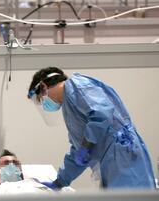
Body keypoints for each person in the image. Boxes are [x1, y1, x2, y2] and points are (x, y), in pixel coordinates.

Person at [27, 67, 156, 189]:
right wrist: (60, 182)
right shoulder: (69, 106)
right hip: (112, 162)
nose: (44, 104)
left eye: (41, 99)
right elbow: (78, 151)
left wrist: (85, 146)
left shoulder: (75, 85)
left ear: (43, 86)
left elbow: (101, 113)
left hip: (123, 158)